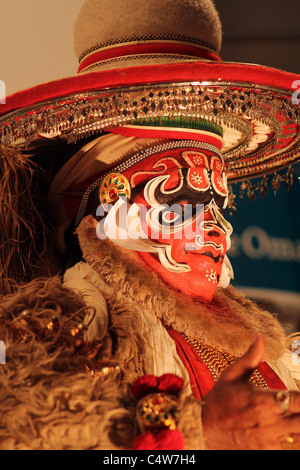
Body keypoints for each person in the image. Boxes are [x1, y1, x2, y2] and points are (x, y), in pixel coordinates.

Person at [0, 0, 300, 451]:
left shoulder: (268, 350)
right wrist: (199, 429)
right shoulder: (67, 320)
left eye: (217, 204)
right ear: (102, 210)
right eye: (181, 201)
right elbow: (22, 426)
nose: (216, 229)